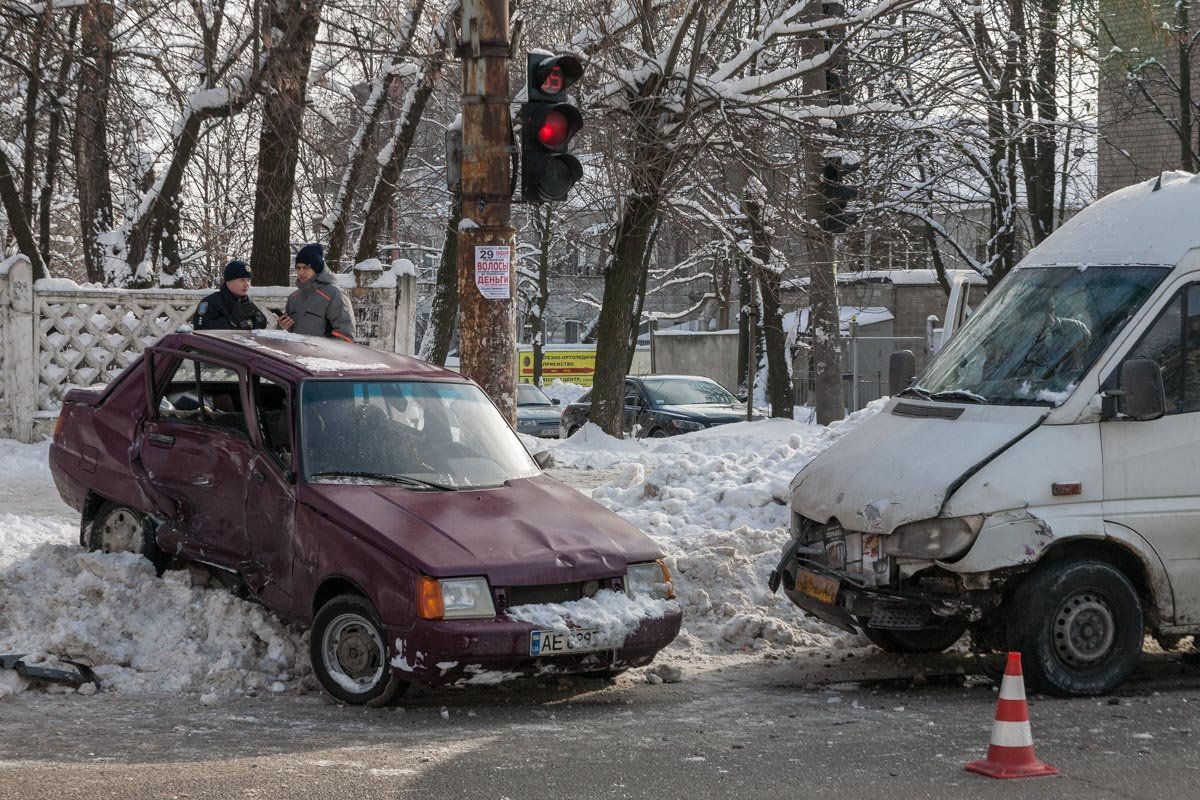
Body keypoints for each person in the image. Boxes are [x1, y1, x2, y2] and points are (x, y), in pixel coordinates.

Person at [278, 243, 356, 342]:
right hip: (295, 355)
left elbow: (346, 335)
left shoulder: (334, 294)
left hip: (320, 356)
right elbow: (286, 335)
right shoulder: (294, 297)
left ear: (317, 268)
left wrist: (321, 352)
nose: (301, 272)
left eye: (306, 267)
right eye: (298, 267)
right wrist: (283, 327)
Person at [194, 260, 269, 331]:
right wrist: (232, 319)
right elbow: (200, 329)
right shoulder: (211, 302)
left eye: (248, 280)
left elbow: (261, 326)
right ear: (228, 281)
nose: (247, 284)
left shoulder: (245, 302)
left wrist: (257, 319)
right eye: (242, 280)